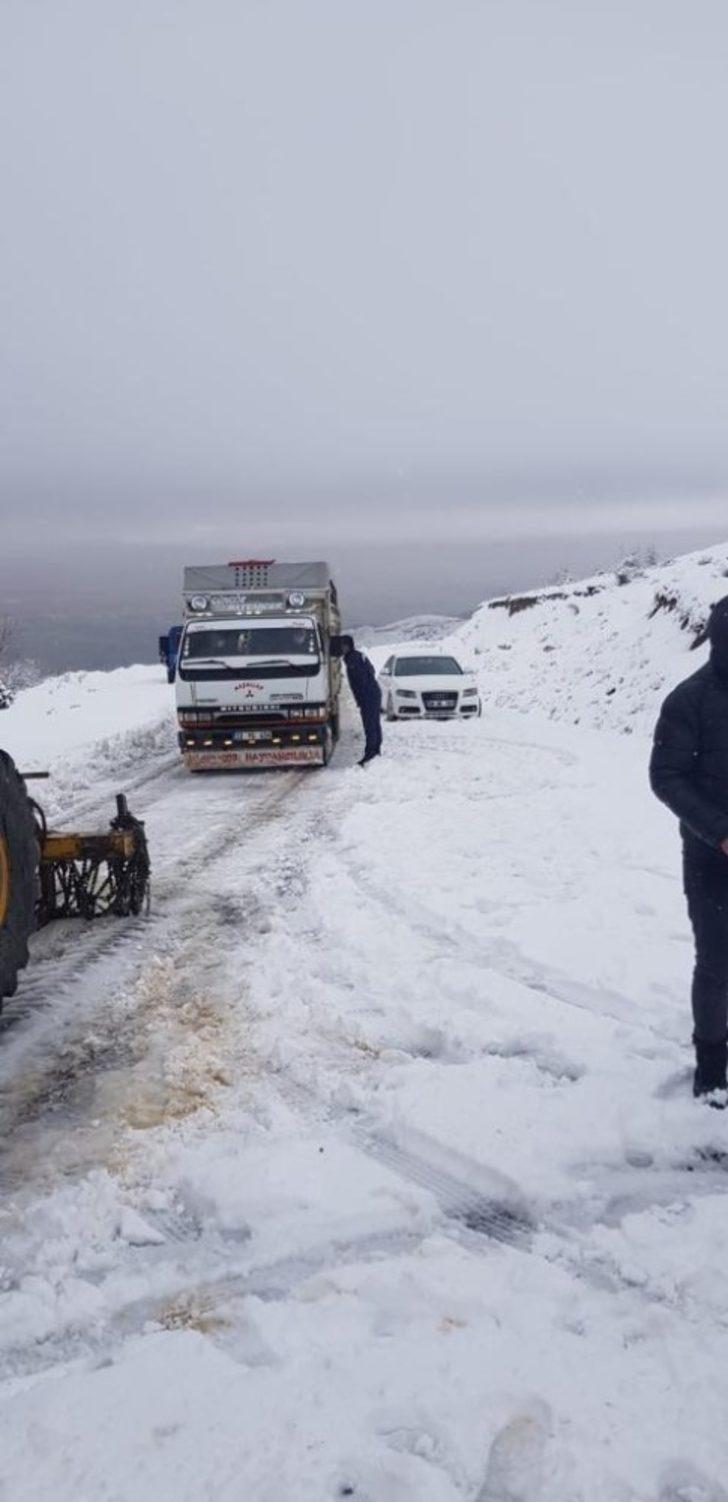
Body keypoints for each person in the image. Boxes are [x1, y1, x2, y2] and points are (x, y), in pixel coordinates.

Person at [650, 596, 728, 1103]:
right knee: (719, 962)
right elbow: (666, 776)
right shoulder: (690, 699)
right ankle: (712, 1068)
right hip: (710, 857)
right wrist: (721, 832)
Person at [339, 635, 383, 766]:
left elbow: (361, 680)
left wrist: (363, 698)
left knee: (370, 724)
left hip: (368, 695)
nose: (342, 648)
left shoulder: (353, 659)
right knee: (374, 723)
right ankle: (375, 750)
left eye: (344, 645)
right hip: (373, 693)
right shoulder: (358, 656)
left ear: (349, 645)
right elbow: (372, 670)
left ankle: (371, 753)